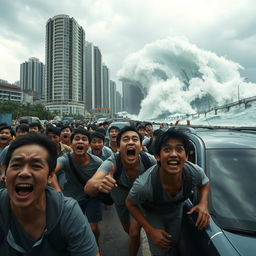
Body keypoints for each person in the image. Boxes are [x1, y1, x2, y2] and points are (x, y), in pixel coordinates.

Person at [0, 133, 99, 255]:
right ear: (4, 171)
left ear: (50, 176)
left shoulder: (67, 212)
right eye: (16, 165)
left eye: (36, 166)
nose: (24, 173)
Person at [126, 129, 210, 256]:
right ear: (157, 156)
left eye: (179, 149)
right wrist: (150, 230)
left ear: (186, 156)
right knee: (160, 248)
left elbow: (204, 183)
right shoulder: (143, 185)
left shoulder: (193, 172)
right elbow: (130, 203)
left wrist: (203, 203)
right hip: (153, 213)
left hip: (175, 211)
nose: (174, 154)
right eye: (167, 150)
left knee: (172, 243)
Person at [85, 126, 157, 256]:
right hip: (121, 204)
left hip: (140, 202)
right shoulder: (112, 162)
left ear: (140, 147)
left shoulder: (148, 160)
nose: (130, 142)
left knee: (134, 233)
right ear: (118, 147)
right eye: (126, 139)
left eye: (135, 139)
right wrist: (100, 184)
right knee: (128, 231)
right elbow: (89, 187)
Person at [54, 128, 103, 245]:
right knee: (71, 230)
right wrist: (57, 189)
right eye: (77, 139)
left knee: (93, 229)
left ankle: (95, 247)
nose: (80, 141)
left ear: (89, 145)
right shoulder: (64, 159)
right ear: (71, 144)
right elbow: (51, 172)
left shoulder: (98, 162)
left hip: (91, 197)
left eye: (84, 139)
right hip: (71, 199)